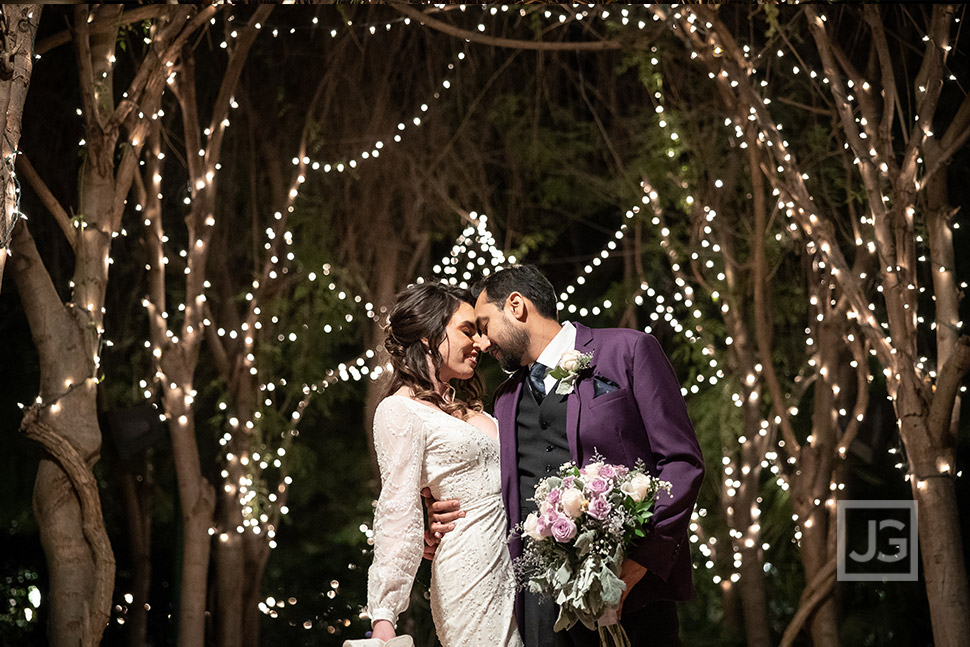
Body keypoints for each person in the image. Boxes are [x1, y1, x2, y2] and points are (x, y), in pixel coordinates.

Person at [429, 265, 705, 647]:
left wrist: (643, 560)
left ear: (516, 305)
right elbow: (492, 483)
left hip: (630, 594)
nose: (481, 342)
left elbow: (681, 462)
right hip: (540, 609)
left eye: (483, 324)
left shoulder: (628, 350)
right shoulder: (505, 401)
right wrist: (437, 512)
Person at [365, 282, 523, 647]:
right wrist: (384, 616)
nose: (481, 344)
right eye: (467, 330)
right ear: (426, 336)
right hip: (471, 575)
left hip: (518, 568)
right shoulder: (399, 410)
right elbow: (397, 509)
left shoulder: (467, 406)